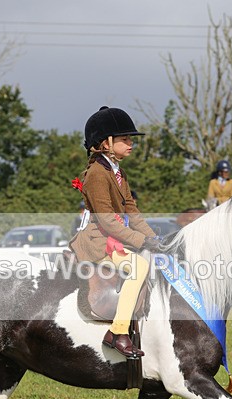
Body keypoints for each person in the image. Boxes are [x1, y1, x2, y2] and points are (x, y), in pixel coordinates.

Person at [69, 106, 158, 357]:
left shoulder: (118, 171)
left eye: (131, 139)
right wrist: (142, 241)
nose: (131, 143)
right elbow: (107, 221)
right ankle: (118, 333)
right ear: (106, 143)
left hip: (115, 238)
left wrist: (153, 238)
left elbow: (131, 209)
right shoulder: (97, 173)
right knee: (139, 267)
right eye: (125, 139)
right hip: (99, 242)